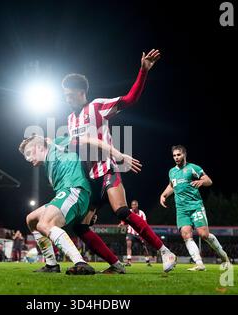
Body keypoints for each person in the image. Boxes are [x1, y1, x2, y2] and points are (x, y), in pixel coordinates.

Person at [62, 48, 177, 272]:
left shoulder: (95, 107)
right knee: (80, 227)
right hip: (89, 178)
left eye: (68, 95)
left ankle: (166, 252)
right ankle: (116, 264)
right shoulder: (69, 119)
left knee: (121, 211)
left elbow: (129, 99)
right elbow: (78, 148)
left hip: (107, 169)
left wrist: (143, 71)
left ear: (80, 93)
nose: (65, 99)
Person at [20, 135, 140, 275]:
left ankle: (80, 262)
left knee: (44, 224)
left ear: (40, 147)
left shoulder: (58, 144)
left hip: (75, 191)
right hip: (68, 194)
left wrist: (119, 155)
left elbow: (90, 139)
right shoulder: (49, 161)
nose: (27, 158)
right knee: (31, 219)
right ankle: (51, 264)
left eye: (29, 153)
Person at [160, 145, 230, 271]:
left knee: (204, 235)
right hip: (181, 209)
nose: (176, 157)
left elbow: (209, 180)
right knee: (186, 235)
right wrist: (163, 195)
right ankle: (199, 264)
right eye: (174, 155)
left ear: (184, 155)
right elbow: (172, 185)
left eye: (178, 155)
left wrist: (202, 182)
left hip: (195, 206)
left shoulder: (193, 168)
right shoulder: (172, 171)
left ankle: (224, 257)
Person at [119, 200, 152, 267]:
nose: (133, 206)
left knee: (144, 247)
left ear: (137, 205)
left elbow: (145, 223)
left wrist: (142, 233)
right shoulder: (129, 212)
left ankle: (147, 261)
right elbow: (124, 219)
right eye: (132, 205)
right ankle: (129, 261)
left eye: (135, 205)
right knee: (128, 245)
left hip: (139, 233)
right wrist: (122, 223)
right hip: (130, 232)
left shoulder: (142, 213)